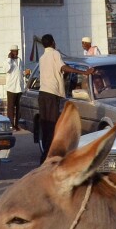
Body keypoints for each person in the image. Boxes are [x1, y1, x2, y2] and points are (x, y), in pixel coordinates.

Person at [38, 34, 93, 163]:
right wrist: (84, 73)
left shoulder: (42, 57)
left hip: (43, 94)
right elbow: (63, 67)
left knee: (46, 126)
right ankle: (47, 158)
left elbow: (58, 70)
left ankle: (45, 156)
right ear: (52, 42)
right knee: (52, 127)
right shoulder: (55, 54)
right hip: (52, 94)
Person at [4, 44, 24, 130]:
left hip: (19, 87)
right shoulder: (7, 61)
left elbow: (20, 72)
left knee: (19, 107)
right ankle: (11, 124)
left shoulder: (19, 60)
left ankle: (17, 124)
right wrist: (9, 59)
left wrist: (24, 73)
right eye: (14, 52)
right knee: (11, 108)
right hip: (11, 88)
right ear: (11, 52)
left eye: (17, 51)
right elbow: (7, 70)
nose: (16, 53)